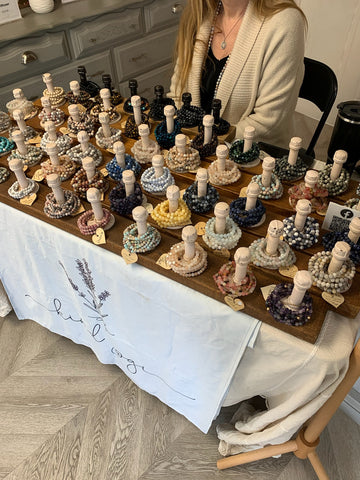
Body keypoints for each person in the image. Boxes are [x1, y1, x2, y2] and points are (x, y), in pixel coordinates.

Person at [168, 0, 306, 147]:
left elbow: (268, 122)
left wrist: (205, 144)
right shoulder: (199, 13)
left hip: (254, 158)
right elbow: (178, 93)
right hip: (195, 152)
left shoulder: (285, 21)